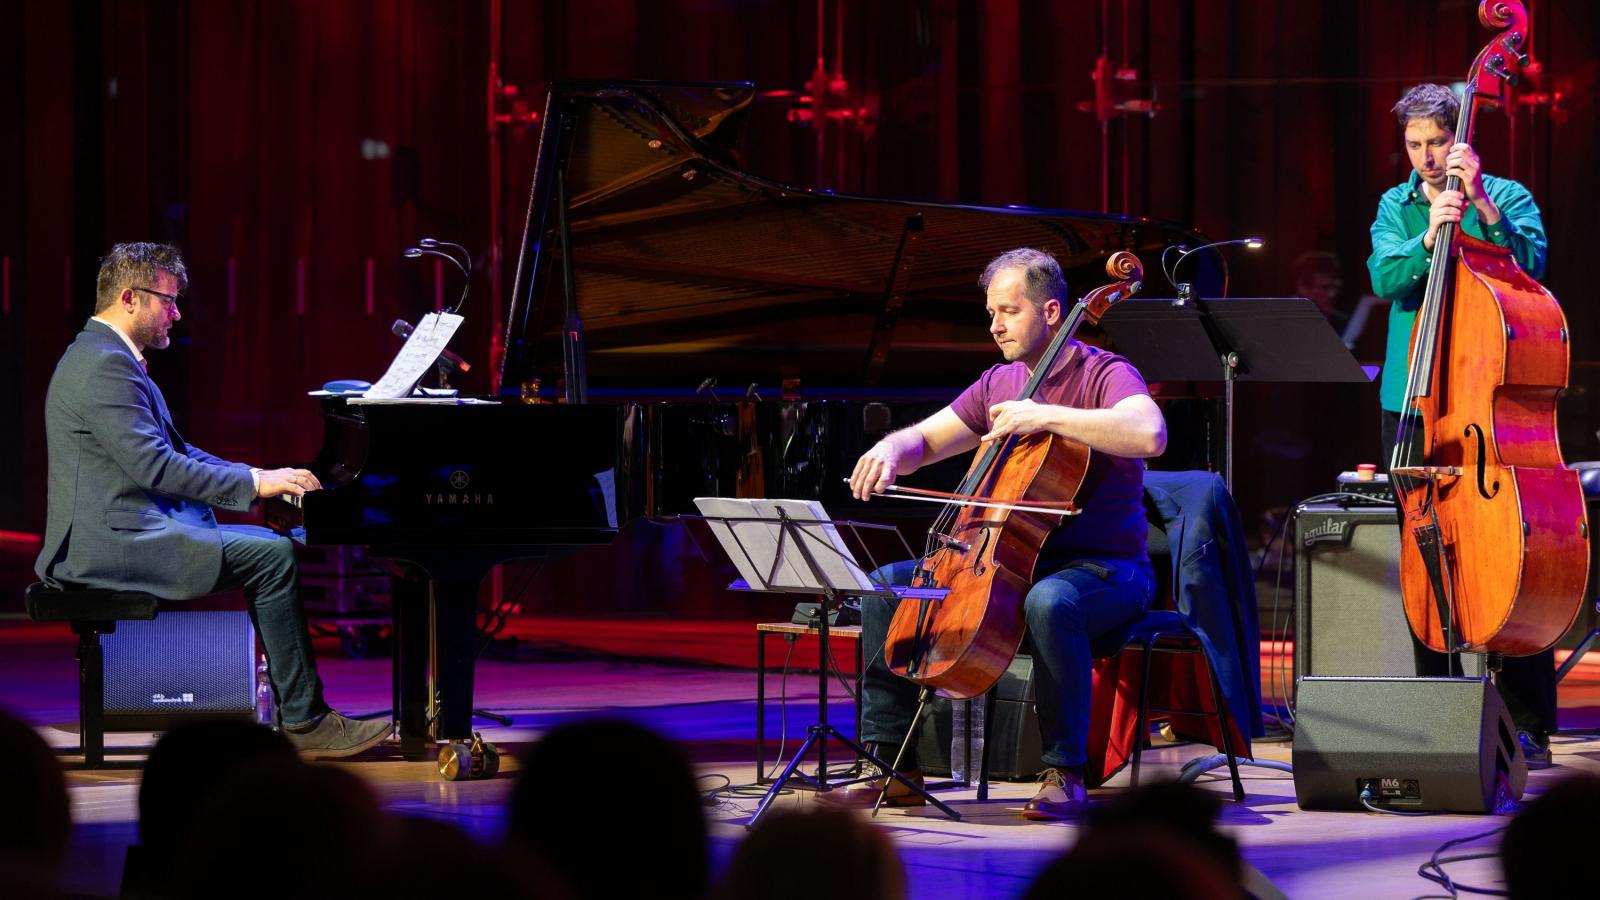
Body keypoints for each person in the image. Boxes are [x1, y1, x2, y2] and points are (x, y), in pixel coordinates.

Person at [832, 247, 1166, 821]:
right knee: (886, 587)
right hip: (1003, 563)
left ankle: (1064, 771)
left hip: (1105, 572)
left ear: (1054, 311)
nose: (994, 325)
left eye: (1009, 311)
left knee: (1051, 599)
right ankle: (894, 766)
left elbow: (1149, 432)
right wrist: (890, 449)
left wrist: (1046, 416)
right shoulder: (1000, 382)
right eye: (991, 312)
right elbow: (929, 442)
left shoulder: (1104, 373)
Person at [34, 242, 391, 758]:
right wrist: (252, 487)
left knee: (268, 550)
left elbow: (175, 450)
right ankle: (305, 721)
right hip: (107, 544)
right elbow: (155, 468)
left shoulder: (106, 357)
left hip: (117, 529)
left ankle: (301, 716)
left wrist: (257, 475)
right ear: (130, 298)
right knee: (272, 557)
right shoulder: (103, 366)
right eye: (169, 301)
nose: (177, 314)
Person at [1366, 84, 1558, 766]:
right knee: (1426, 548)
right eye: (1414, 145)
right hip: (1414, 396)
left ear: (1461, 137)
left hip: (1485, 396)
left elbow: (1530, 266)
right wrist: (1427, 234)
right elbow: (1388, 278)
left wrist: (1475, 205)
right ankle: (1440, 711)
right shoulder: (1397, 204)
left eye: (1436, 142)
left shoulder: (1503, 196)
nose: (1424, 157)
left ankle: (1529, 721)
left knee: (1512, 547)